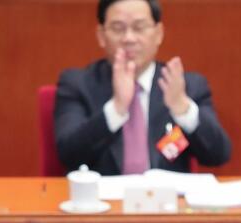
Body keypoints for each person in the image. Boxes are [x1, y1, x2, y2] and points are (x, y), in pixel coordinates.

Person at [53, 0, 231, 175]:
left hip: (165, 201)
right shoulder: (78, 84)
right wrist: (116, 109)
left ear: (158, 33)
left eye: (139, 27)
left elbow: (218, 155)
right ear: (101, 35)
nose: (129, 38)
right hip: (104, 202)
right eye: (118, 28)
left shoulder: (186, 86)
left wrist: (183, 109)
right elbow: (68, 155)